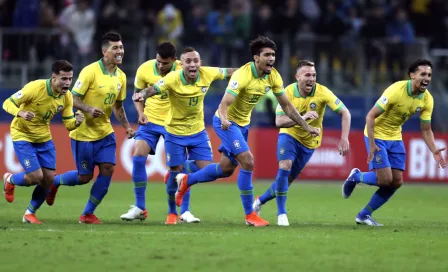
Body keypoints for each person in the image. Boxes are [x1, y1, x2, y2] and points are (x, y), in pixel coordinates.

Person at [173, 36, 321, 227]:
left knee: (225, 169)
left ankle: (186, 180)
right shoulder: (242, 75)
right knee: (248, 161)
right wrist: (225, 119)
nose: (271, 58)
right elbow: (224, 103)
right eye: (267, 54)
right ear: (256, 58)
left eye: (273, 54)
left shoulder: (274, 76)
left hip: (243, 125)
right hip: (226, 123)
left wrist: (306, 126)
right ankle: (250, 215)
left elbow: (288, 107)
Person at [133, 46, 236, 224]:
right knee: (176, 171)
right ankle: (173, 213)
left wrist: (251, 72)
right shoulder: (172, 78)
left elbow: (230, 72)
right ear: (182, 64)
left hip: (197, 131)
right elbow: (154, 89)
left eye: (195, 61)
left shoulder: (207, 73)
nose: (192, 64)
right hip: (174, 132)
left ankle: (179, 173)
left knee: (206, 171)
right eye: (188, 61)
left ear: (200, 63)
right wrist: (141, 94)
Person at [342, 59, 446, 226]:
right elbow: (370, 116)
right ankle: (356, 176)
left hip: (395, 138)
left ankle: (363, 215)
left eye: (429, 75)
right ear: (412, 75)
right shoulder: (396, 90)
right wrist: (373, 143)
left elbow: (426, 129)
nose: (427, 78)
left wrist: (434, 150)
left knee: (396, 182)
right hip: (377, 134)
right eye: (423, 74)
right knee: (384, 180)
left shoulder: (427, 100)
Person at [46, 32, 135, 224]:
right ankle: (54, 182)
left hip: (105, 132)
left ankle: (87, 213)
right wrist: (87, 108)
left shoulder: (121, 76)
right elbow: (72, 97)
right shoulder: (90, 71)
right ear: (105, 52)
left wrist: (127, 127)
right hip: (83, 133)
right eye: (115, 48)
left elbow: (118, 106)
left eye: (121, 47)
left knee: (108, 168)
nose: (120, 51)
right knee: (84, 177)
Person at [252, 60, 351, 226]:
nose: (311, 78)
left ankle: (260, 201)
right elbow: (279, 121)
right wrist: (302, 118)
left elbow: (345, 113)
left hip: (309, 142)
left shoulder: (322, 92)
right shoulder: (287, 92)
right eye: (307, 75)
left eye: (314, 75)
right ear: (297, 77)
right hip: (289, 135)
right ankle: (281, 214)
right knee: (285, 166)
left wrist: (344, 138)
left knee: (286, 181)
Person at [120, 42, 201, 224]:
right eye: (158, 62)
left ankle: (182, 211)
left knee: (180, 168)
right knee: (138, 155)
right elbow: (137, 94)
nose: (160, 66)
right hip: (151, 119)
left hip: (174, 122)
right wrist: (140, 113)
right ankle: (140, 207)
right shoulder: (144, 69)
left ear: (174, 60)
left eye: (165, 63)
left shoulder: (185, 69)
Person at [2, 60, 85, 224]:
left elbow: (68, 124)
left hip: (44, 138)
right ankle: (10, 180)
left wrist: (76, 122)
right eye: (63, 79)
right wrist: (21, 113)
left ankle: (29, 213)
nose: (67, 83)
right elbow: (7, 103)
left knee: (48, 179)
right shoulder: (35, 88)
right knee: (35, 176)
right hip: (22, 134)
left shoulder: (66, 97)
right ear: (53, 78)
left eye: (70, 79)